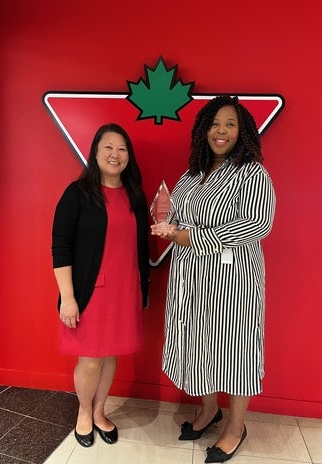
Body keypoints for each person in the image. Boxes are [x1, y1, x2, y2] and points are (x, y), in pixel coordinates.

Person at [151, 95, 276, 463]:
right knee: (197, 344)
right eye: (214, 123)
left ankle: (235, 427)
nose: (221, 131)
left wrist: (189, 236)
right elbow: (177, 212)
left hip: (233, 283)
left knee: (236, 350)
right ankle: (209, 410)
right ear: (203, 129)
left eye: (230, 124)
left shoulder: (253, 173)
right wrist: (168, 227)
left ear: (243, 132)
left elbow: (258, 223)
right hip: (189, 278)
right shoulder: (191, 174)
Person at [52, 123, 149, 448]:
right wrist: (68, 298)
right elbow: (60, 246)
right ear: (94, 152)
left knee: (110, 356)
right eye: (108, 147)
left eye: (121, 149)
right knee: (91, 359)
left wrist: (143, 288)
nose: (115, 154)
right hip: (91, 292)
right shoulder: (78, 193)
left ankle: (100, 411)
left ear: (128, 156)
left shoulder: (135, 194)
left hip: (125, 291)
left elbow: (141, 247)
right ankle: (83, 411)